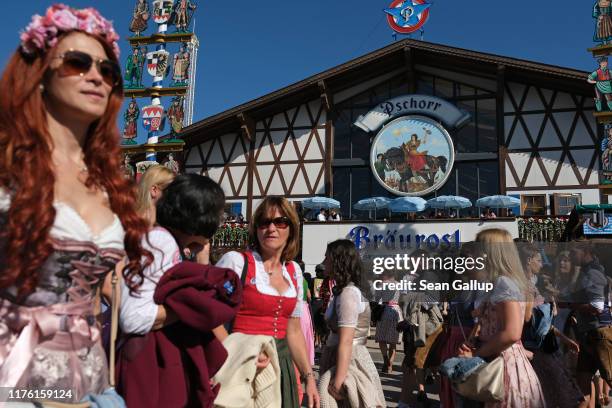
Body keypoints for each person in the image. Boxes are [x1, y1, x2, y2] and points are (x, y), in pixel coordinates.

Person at [0, 4, 150, 403]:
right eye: (78, 63)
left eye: (107, 70)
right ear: (41, 73)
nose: (96, 77)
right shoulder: (7, 167)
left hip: (88, 378)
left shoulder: (108, 182)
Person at [216, 197, 320, 408]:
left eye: (280, 222)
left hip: (282, 367)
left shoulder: (294, 271)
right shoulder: (237, 262)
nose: (271, 228)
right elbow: (210, 319)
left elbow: (294, 332)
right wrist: (241, 353)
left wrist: (308, 377)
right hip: (241, 367)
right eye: (264, 222)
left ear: (291, 228)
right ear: (256, 229)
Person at [458, 228, 546, 407]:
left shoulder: (503, 283)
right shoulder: (499, 282)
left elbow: (512, 333)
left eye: (479, 248)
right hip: (499, 361)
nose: (474, 255)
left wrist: (476, 354)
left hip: (502, 366)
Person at [318, 240, 385, 407]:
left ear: (338, 261)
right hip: (344, 356)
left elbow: (346, 340)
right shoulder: (347, 290)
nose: (324, 261)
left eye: (327, 257)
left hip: (348, 360)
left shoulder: (348, 293)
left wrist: (339, 381)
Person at [569, 241, 612, 408]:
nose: (571, 256)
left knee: (609, 376)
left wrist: (571, 305)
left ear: (585, 251)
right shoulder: (587, 271)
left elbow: (597, 307)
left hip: (599, 333)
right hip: (589, 334)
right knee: (583, 383)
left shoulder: (593, 272)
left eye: (574, 252)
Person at [373, 269, 403, 374]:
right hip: (396, 311)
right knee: (393, 341)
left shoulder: (382, 284)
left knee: (382, 338)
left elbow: (376, 299)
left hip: (384, 311)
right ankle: (390, 364)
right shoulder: (399, 284)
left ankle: (385, 359)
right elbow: (403, 298)